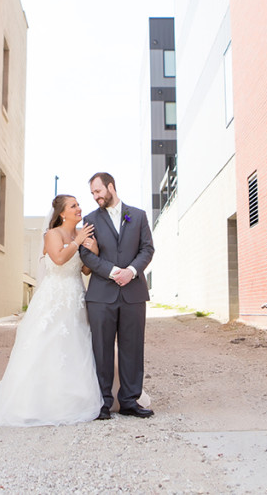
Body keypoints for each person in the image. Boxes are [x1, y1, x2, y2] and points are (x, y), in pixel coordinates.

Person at [0, 195, 103, 426]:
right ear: (62, 213)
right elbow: (59, 258)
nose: (79, 208)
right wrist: (78, 242)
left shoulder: (80, 234)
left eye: (78, 204)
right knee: (48, 342)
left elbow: (85, 270)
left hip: (76, 296)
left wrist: (95, 250)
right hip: (54, 297)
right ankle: (34, 401)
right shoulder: (52, 234)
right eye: (73, 206)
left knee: (76, 343)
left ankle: (72, 398)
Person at [79, 172, 155, 419]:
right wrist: (113, 272)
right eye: (92, 193)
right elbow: (86, 255)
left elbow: (147, 249)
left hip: (133, 293)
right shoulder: (90, 220)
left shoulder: (138, 216)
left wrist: (131, 271)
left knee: (132, 348)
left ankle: (130, 401)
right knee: (101, 349)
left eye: (98, 191)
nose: (95, 196)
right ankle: (102, 403)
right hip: (101, 295)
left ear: (110, 186)